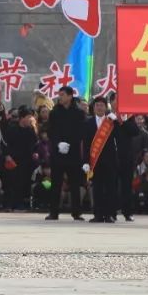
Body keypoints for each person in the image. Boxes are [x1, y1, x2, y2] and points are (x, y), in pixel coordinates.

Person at [46, 86, 86, 220]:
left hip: (73, 153)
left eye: (62, 95)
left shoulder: (79, 113)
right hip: (58, 153)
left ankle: (76, 212)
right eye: (59, 94)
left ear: (70, 96)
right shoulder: (55, 112)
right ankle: (53, 212)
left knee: (75, 184)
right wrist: (58, 143)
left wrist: (71, 143)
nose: (60, 97)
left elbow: (81, 132)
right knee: (56, 183)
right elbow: (50, 131)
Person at [81, 96, 120, 223]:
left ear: (106, 107)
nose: (99, 107)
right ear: (93, 107)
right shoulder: (88, 122)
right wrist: (85, 161)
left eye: (102, 105)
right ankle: (97, 214)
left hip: (110, 160)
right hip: (94, 160)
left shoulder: (111, 122)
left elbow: (120, 138)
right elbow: (86, 144)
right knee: (96, 188)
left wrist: (119, 122)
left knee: (109, 189)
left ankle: (109, 214)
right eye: (97, 105)